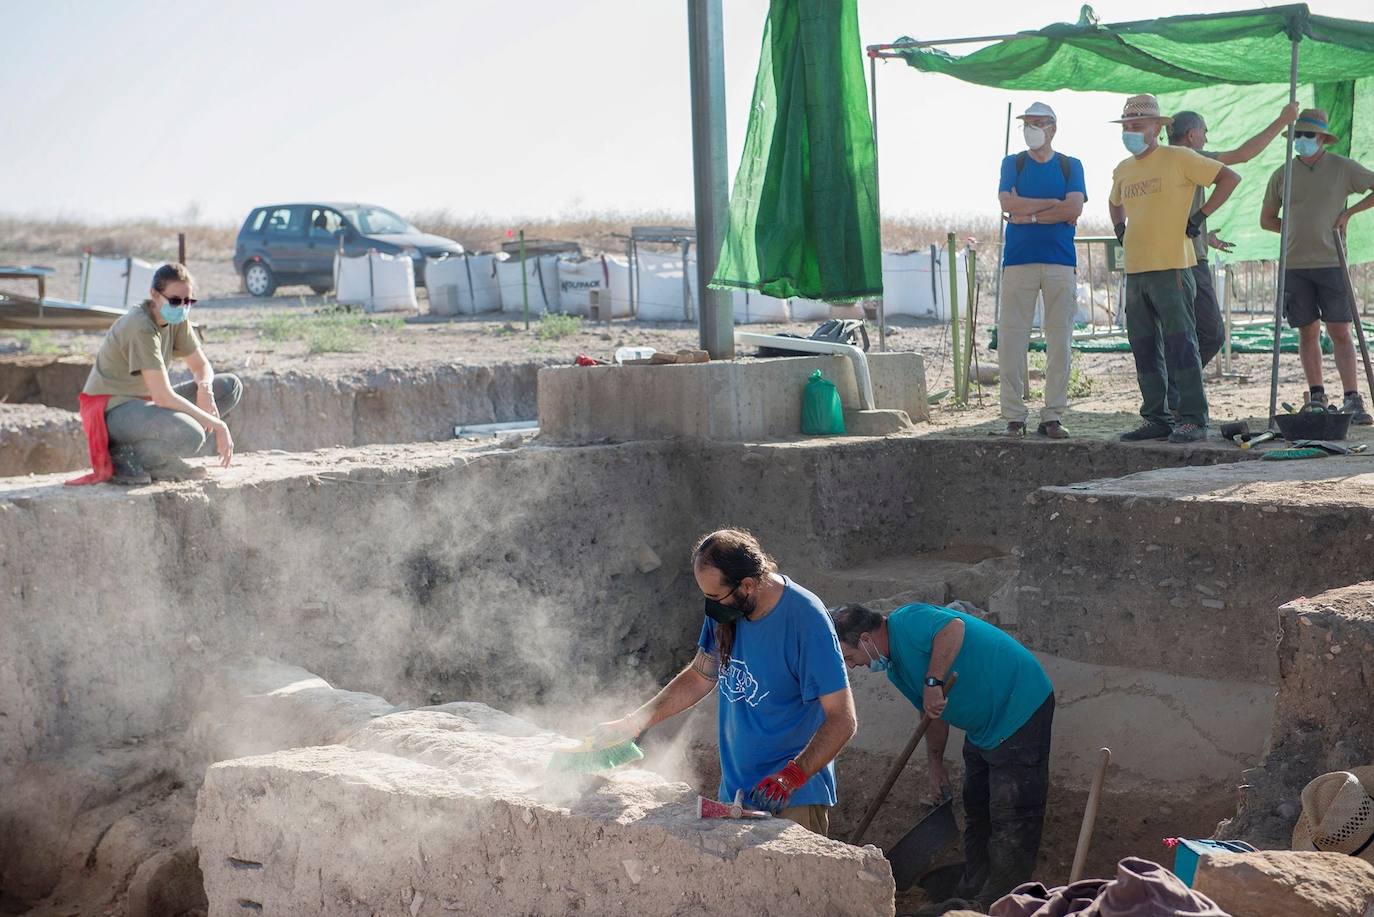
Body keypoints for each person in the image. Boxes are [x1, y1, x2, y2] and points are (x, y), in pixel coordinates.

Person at [598, 529, 856, 835]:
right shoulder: (726, 610)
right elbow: (698, 676)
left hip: (792, 797)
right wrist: (634, 722)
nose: (711, 607)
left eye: (715, 597)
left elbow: (843, 719)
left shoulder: (806, 620)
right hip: (736, 793)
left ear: (747, 585)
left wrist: (791, 777)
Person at [831, 601, 1054, 913]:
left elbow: (953, 629)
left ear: (866, 639)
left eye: (850, 657)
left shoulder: (907, 621)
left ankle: (1000, 903)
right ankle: (975, 887)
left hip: (1020, 707)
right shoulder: (896, 670)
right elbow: (931, 714)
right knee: (977, 806)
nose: (853, 666)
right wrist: (936, 766)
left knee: (1012, 817)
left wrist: (933, 681)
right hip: (983, 727)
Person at [1108, 94, 1241, 443]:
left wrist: (1199, 217)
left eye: (1137, 126)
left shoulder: (1180, 157)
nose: (1131, 132)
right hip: (1136, 271)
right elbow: (1114, 202)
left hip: (1174, 268)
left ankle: (1194, 418)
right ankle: (1156, 417)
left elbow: (1229, 177)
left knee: (1182, 343)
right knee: (1144, 345)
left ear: (1157, 128)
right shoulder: (1123, 168)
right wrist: (1121, 230)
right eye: (1127, 126)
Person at [1166, 101, 1300, 408]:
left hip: (1178, 255)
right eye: (1204, 132)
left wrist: (1201, 232)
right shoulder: (1190, 156)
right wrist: (1283, 120)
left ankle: (1173, 389)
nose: (1206, 139)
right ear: (1190, 135)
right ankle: (1175, 386)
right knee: (1210, 332)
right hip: (1185, 260)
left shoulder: (1163, 161)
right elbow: (1242, 156)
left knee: (1188, 331)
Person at [1260, 108, 1374, 423]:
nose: (1302, 140)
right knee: (1307, 330)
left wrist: (1348, 214)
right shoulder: (1282, 174)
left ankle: (1352, 398)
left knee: (1340, 329)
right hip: (1294, 265)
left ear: (1322, 138)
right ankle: (1317, 396)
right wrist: (1295, 227)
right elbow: (1266, 220)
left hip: (1332, 262)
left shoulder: (1343, 168)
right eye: (1297, 135)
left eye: (1308, 135)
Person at [80, 263, 239, 484]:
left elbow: (201, 366)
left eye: (188, 302)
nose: (182, 307)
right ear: (154, 294)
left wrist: (205, 389)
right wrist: (219, 424)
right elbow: (163, 396)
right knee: (190, 434)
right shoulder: (141, 326)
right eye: (175, 301)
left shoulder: (177, 318)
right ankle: (124, 458)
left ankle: (160, 460)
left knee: (229, 387)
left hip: (145, 403)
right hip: (113, 410)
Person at [996, 102, 1088, 439]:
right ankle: (1013, 417)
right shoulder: (1013, 163)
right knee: (1011, 339)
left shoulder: (1070, 165)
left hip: (1061, 262)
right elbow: (1008, 204)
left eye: (1037, 123)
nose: (1030, 128)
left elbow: (1074, 207)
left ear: (1052, 127)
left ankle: (1052, 416)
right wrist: (1053, 207)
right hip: (1018, 262)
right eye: (1026, 123)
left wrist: (1028, 215)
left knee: (1060, 340)